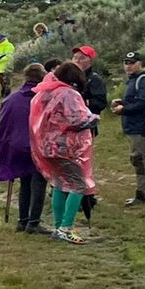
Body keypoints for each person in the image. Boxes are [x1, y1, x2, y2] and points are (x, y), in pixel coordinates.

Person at [30, 62, 99, 245]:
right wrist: (93, 118)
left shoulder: (45, 92)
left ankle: (58, 226)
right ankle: (65, 228)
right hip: (65, 148)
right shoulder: (68, 94)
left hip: (46, 146)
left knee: (59, 184)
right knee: (78, 185)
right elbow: (76, 120)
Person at [0, 63, 48, 233]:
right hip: (35, 146)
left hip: (16, 146)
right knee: (39, 183)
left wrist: (4, 148)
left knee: (25, 182)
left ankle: (22, 220)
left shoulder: (10, 98)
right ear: (42, 78)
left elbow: (3, 124)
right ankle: (33, 223)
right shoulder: (42, 98)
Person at [114, 50, 145, 205]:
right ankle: (143, 192)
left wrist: (124, 109)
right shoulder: (134, 79)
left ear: (140, 63)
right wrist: (123, 103)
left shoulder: (144, 79)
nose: (128, 66)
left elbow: (144, 103)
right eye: (126, 63)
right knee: (137, 158)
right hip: (134, 125)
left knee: (139, 159)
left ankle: (143, 194)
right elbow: (136, 100)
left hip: (141, 126)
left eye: (132, 63)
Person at [71, 45, 107, 223]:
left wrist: (83, 103)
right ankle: (72, 195)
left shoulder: (95, 79)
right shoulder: (70, 77)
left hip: (86, 127)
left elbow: (101, 102)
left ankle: (86, 198)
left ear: (90, 60)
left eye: (81, 57)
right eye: (75, 57)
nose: (77, 60)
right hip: (69, 128)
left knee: (82, 163)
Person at [0, 33, 17, 99]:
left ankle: (7, 96)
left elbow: (9, 57)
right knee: (2, 82)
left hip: (7, 67)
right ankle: (3, 94)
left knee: (7, 83)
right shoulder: (0, 46)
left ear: (4, 38)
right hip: (0, 67)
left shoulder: (9, 45)